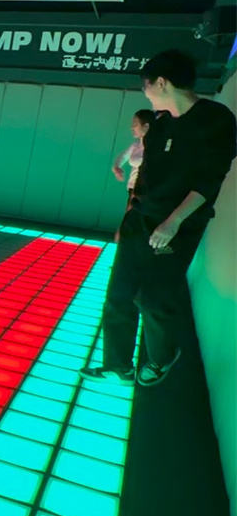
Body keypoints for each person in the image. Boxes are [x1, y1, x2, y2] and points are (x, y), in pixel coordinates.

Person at [81, 49, 236, 387]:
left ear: (162, 83)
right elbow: (145, 179)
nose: (146, 94)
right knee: (119, 293)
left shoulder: (215, 119)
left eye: (147, 86)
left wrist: (174, 221)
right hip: (140, 220)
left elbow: (209, 179)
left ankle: (162, 356)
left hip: (177, 226)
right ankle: (118, 364)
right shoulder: (159, 125)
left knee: (153, 297)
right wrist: (129, 217)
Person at [111, 109, 154, 242]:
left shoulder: (155, 146)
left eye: (135, 124)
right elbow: (122, 157)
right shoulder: (136, 145)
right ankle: (121, 244)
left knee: (131, 220)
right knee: (129, 219)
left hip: (144, 190)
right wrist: (116, 167)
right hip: (132, 188)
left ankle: (122, 244)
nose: (132, 127)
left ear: (146, 126)